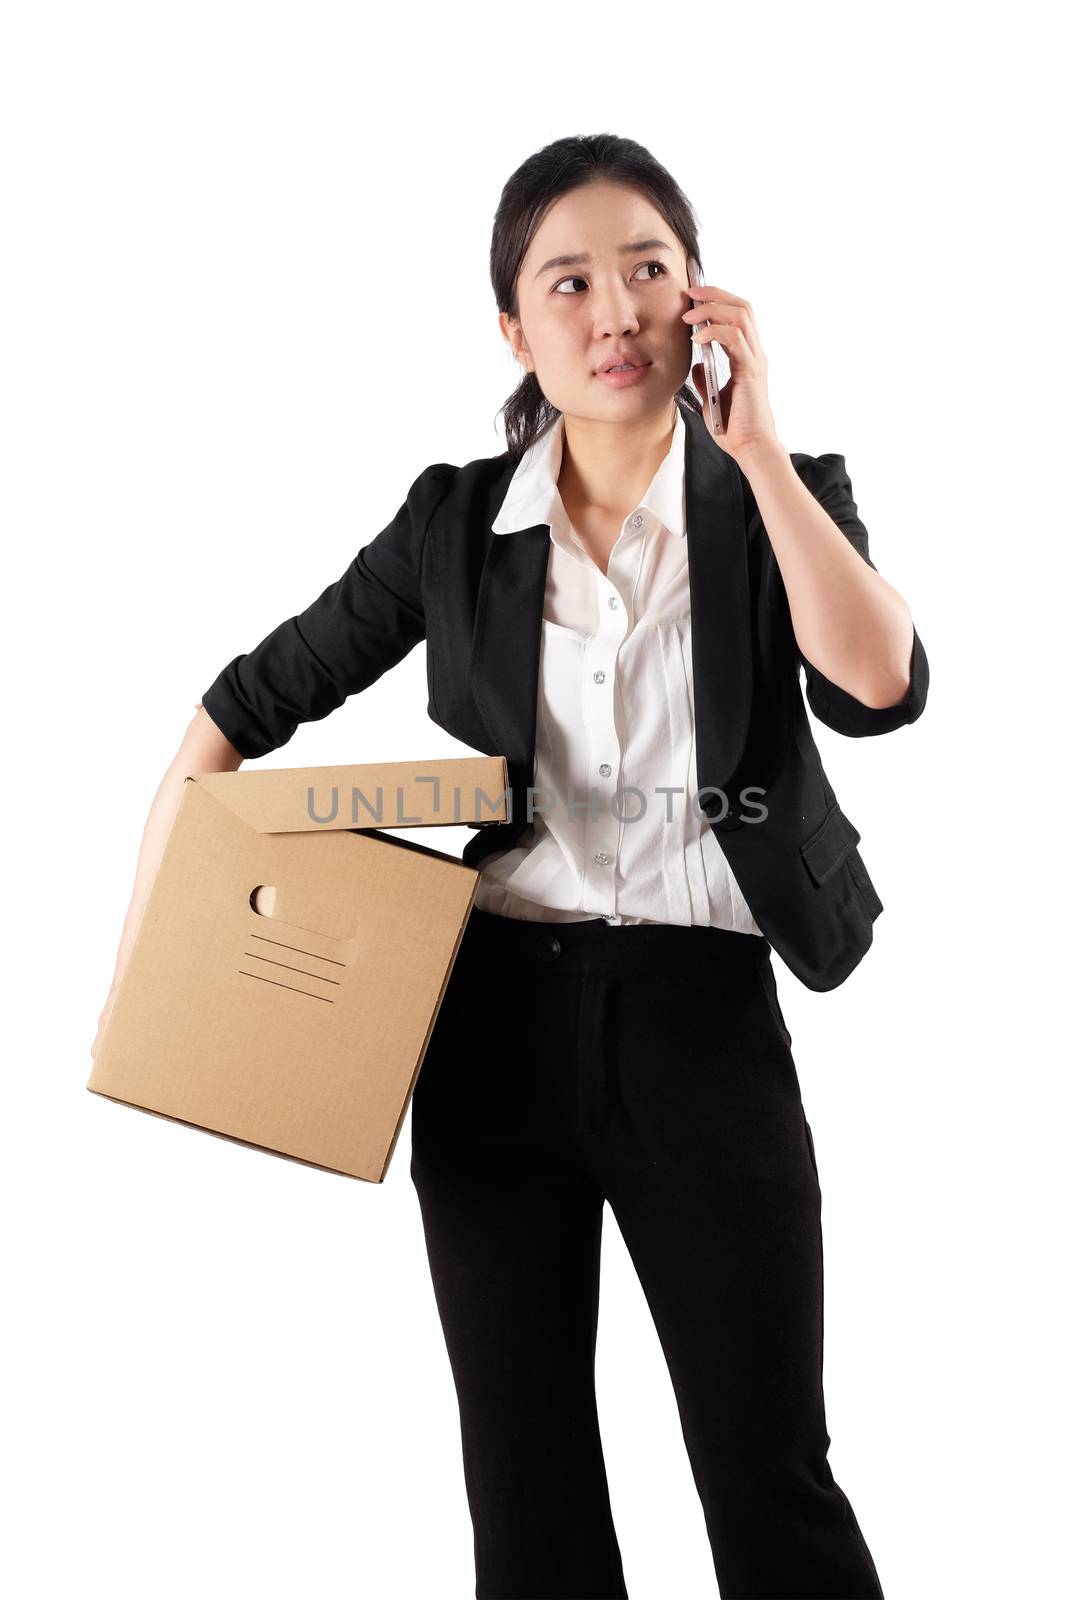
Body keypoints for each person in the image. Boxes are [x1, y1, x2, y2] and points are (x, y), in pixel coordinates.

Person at [96, 132, 929, 1599]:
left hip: (703, 1024)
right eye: (571, 283)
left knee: (768, 1474)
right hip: (488, 1026)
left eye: (648, 270)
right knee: (527, 1491)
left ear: (700, 298)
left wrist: (765, 454)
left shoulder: (777, 498)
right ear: (515, 327)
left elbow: (877, 686)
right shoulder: (452, 523)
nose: (616, 311)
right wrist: (151, 959)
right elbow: (241, 704)